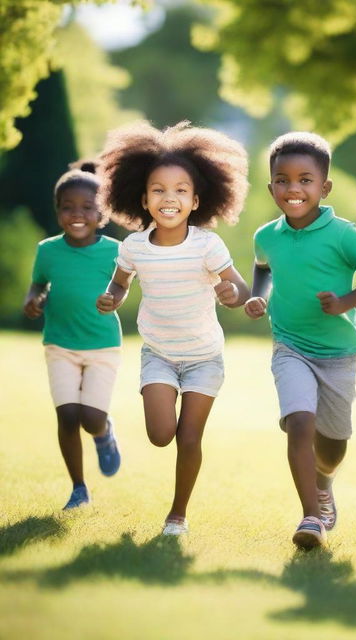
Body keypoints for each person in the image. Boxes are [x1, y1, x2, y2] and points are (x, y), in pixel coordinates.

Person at [96, 121, 250, 536]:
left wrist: (232, 295)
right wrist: (112, 297)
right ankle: (172, 489)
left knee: (189, 439)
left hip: (204, 358)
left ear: (196, 200)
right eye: (159, 190)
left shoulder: (206, 245)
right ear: (143, 199)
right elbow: (121, 282)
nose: (170, 198)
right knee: (162, 435)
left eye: (181, 190)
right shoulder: (134, 247)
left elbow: (237, 285)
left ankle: (177, 515)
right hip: (159, 355)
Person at [244, 132, 356, 550]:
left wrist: (346, 303)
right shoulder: (266, 235)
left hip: (339, 354)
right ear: (271, 188)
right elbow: (263, 268)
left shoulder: (343, 235)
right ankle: (310, 517)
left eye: (305, 180)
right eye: (282, 180)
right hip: (290, 346)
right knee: (300, 423)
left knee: (334, 446)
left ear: (324, 187)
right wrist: (258, 297)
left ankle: (324, 482)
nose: (293, 189)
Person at [24, 161, 122, 510]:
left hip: (102, 346)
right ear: (58, 211)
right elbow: (39, 283)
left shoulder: (114, 250)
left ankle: (103, 432)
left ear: (102, 213)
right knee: (67, 416)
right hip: (59, 344)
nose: (76, 214)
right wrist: (32, 300)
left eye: (86, 207)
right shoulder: (48, 250)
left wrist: (115, 298)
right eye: (68, 207)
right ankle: (79, 489)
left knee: (90, 418)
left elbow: (125, 283)